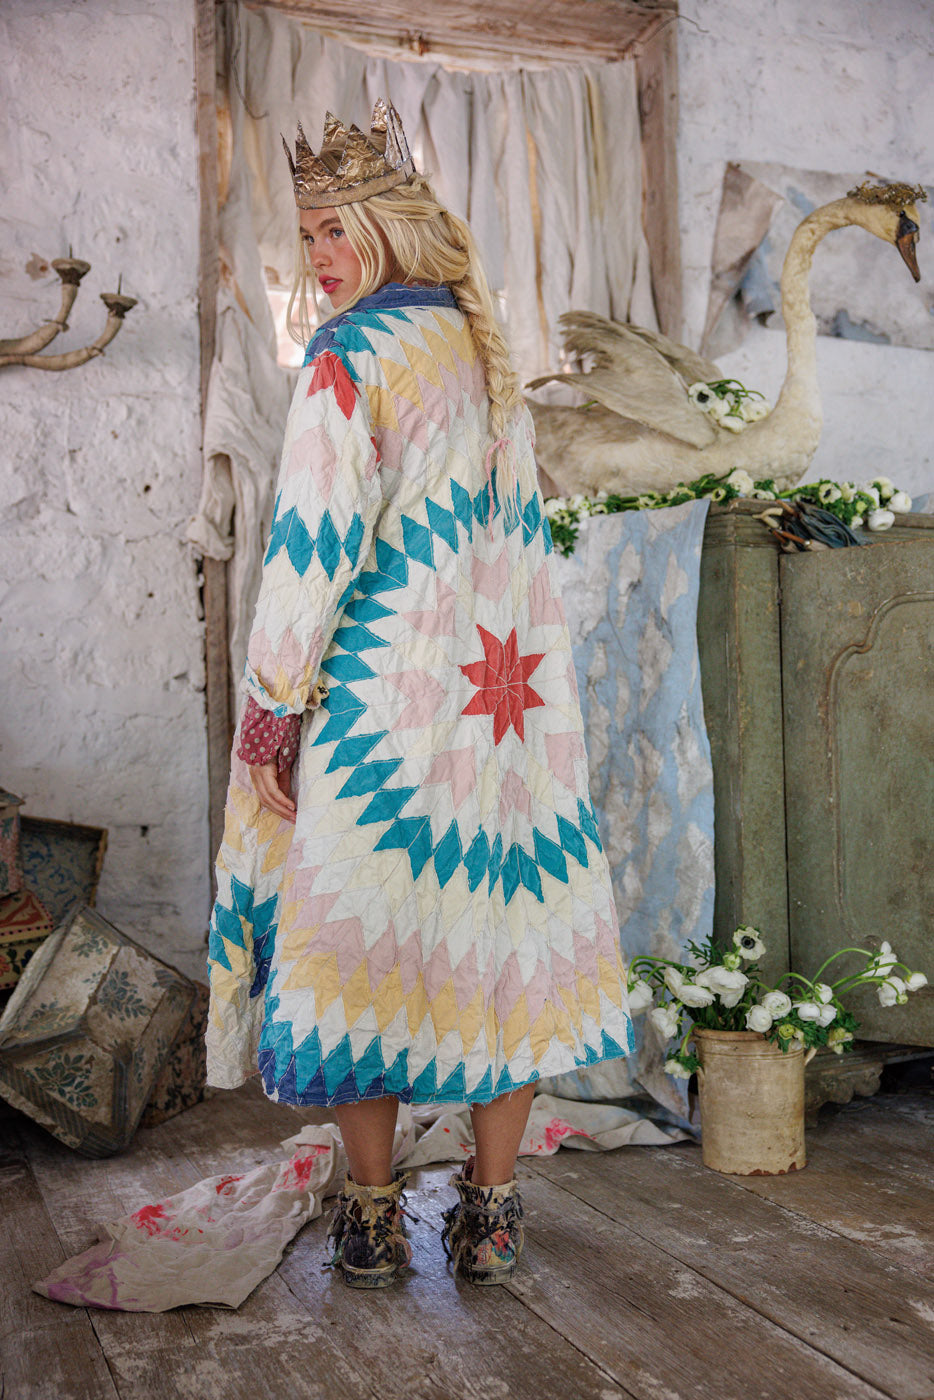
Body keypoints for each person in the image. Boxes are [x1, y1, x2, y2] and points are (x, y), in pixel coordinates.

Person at [205, 98, 635, 1290]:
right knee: (505, 932)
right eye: (306, 235)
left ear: (388, 227)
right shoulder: (475, 345)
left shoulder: (350, 357)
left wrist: (274, 706)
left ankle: (376, 1210)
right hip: (507, 711)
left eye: (333, 228)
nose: (319, 256)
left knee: (362, 939)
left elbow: (311, 548)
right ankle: (490, 1213)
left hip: (388, 708)